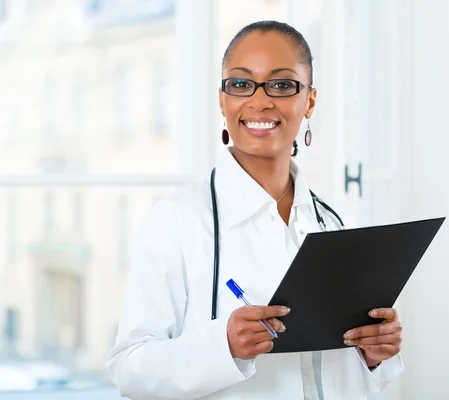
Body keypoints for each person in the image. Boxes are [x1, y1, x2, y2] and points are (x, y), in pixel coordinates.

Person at [106, 20, 404, 400]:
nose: (260, 101)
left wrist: (377, 352)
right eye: (241, 84)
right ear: (222, 100)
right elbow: (130, 370)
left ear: (309, 100)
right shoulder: (177, 220)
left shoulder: (332, 222)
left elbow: (348, 373)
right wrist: (223, 346)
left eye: (281, 85)